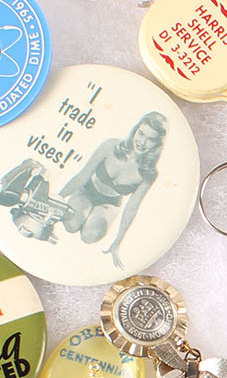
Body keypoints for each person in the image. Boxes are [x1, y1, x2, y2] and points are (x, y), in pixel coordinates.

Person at [57, 112, 168, 267]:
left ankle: (90, 216)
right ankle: (83, 213)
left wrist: (117, 242)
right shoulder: (110, 146)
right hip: (87, 190)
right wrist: (57, 198)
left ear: (157, 144)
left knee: (90, 235)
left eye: (151, 139)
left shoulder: (149, 173)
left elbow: (132, 207)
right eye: (141, 134)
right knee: (71, 225)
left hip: (109, 203)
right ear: (135, 130)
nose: (142, 142)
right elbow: (82, 176)